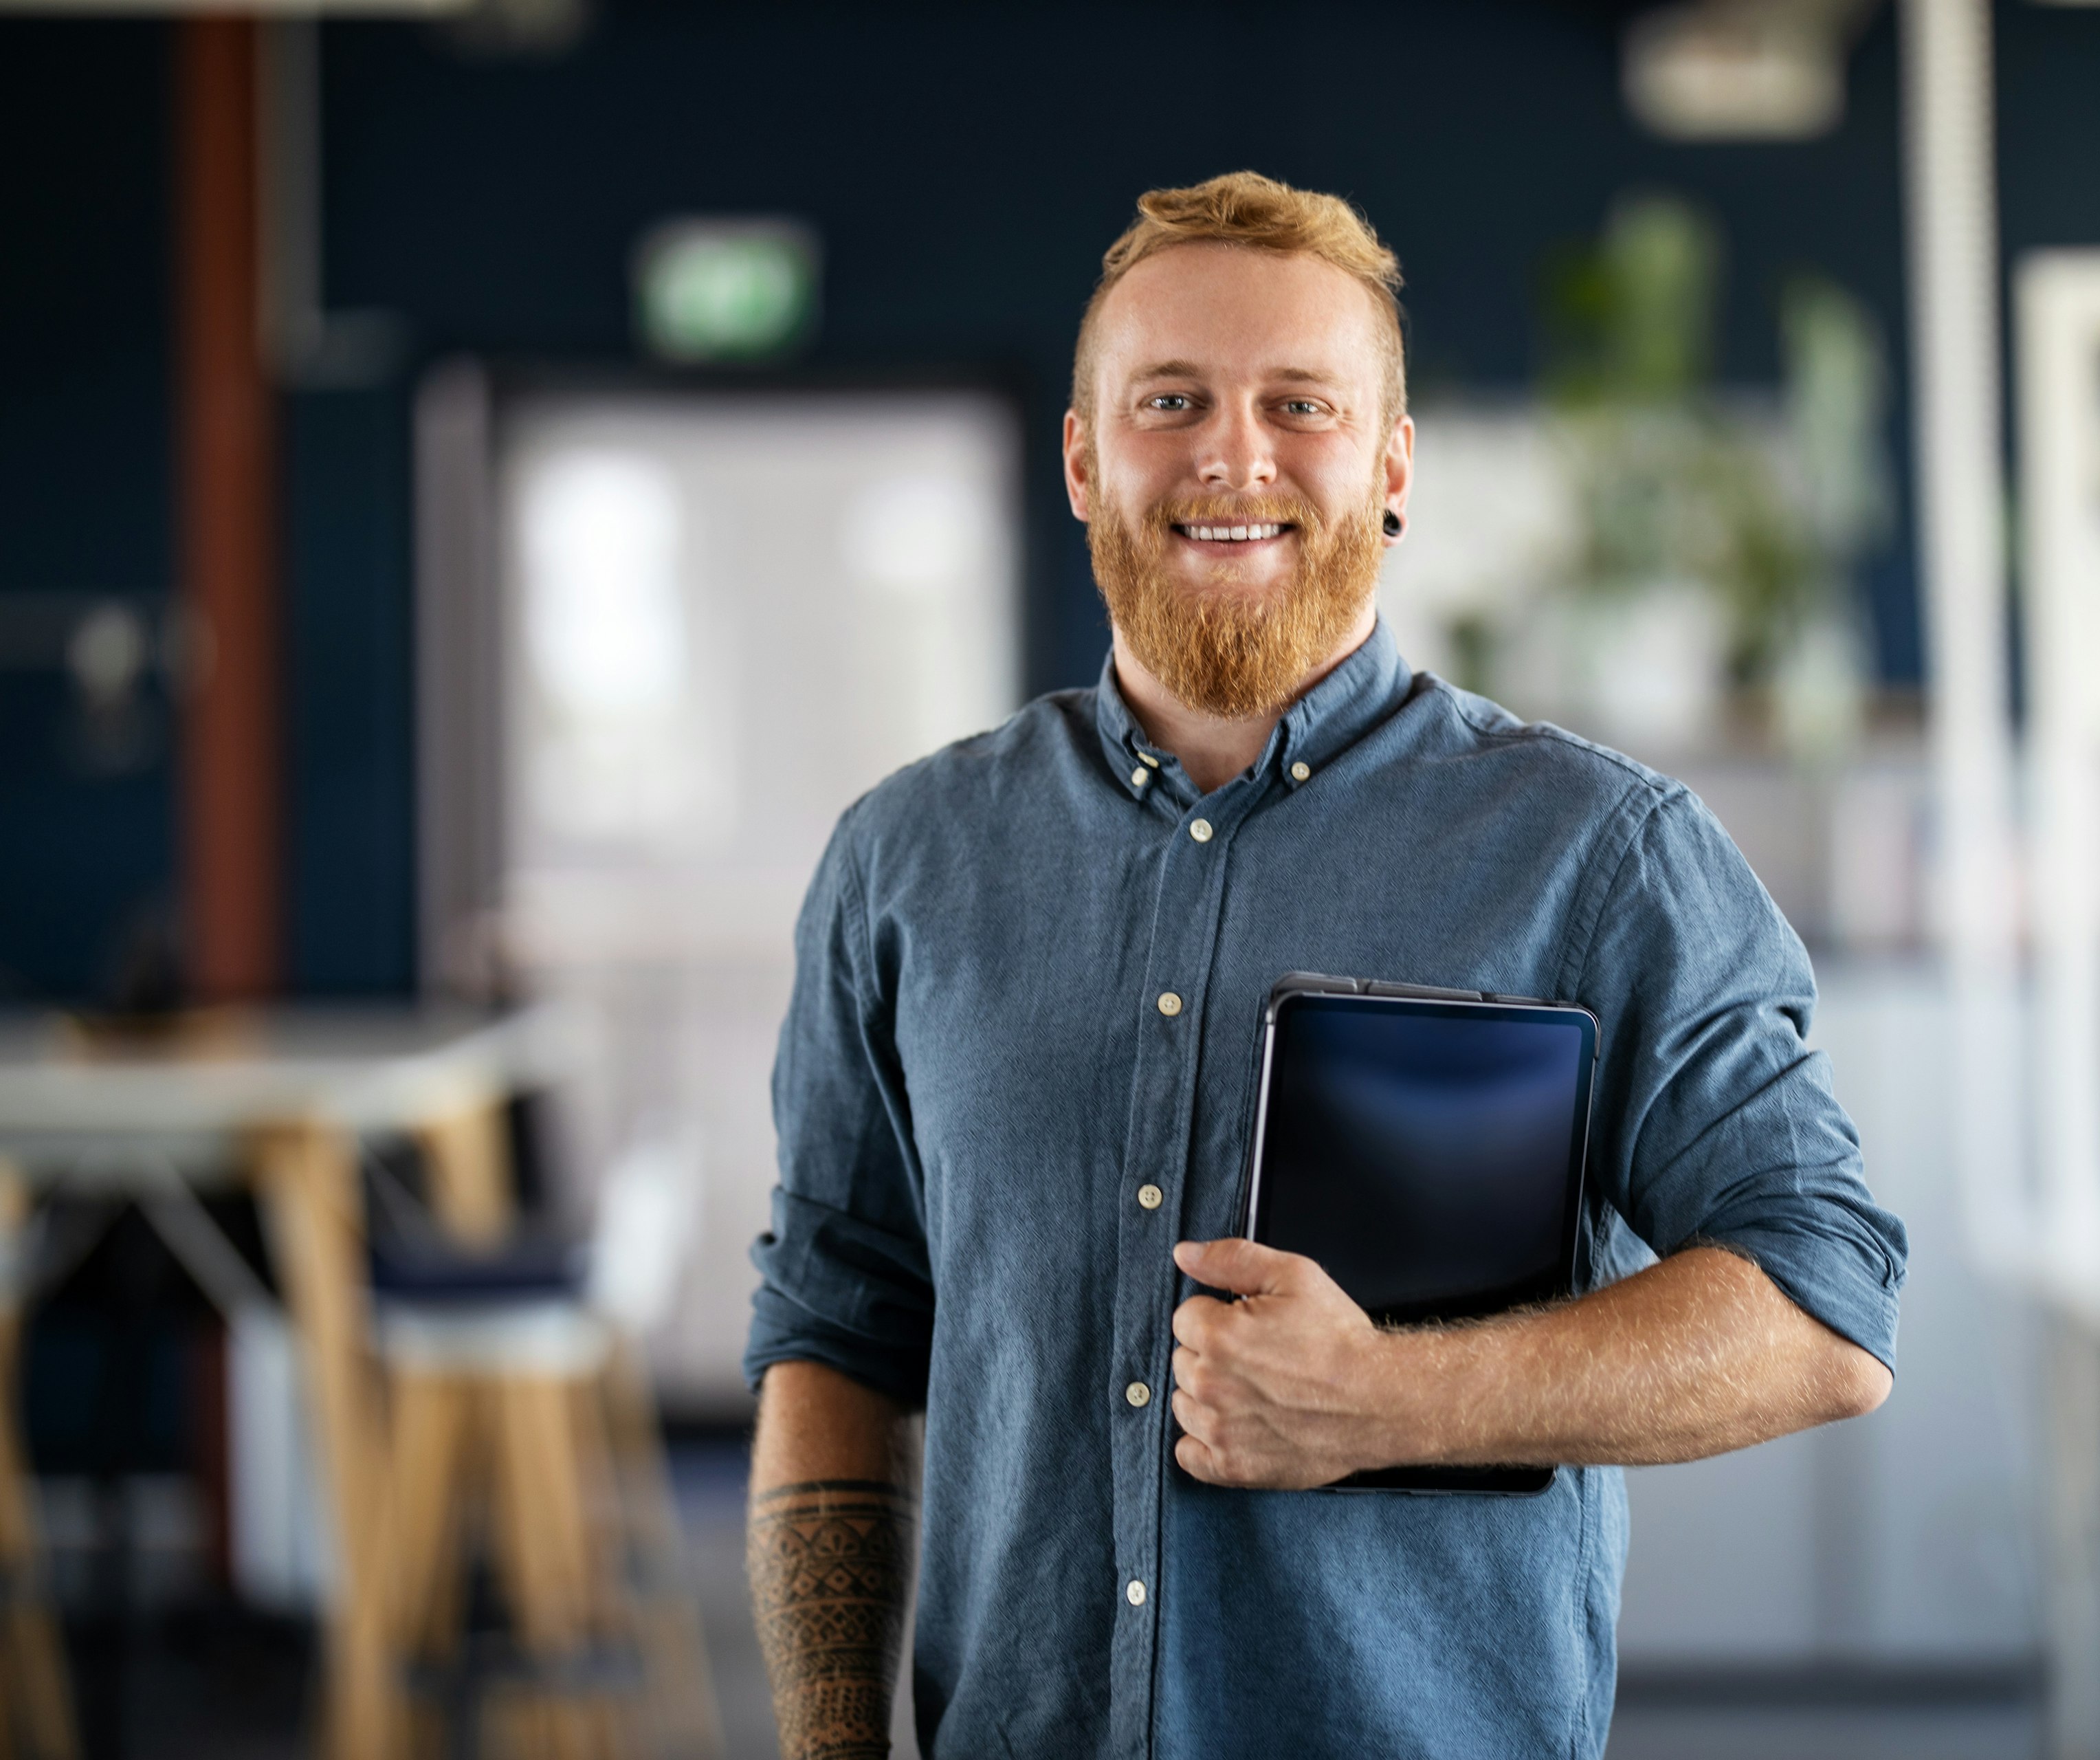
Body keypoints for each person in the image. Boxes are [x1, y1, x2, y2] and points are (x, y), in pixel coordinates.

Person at [743, 170, 1907, 1760]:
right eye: (1172, 400)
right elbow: (837, 1330)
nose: (1235, 455)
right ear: (1083, 460)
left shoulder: (1599, 851)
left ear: (1392, 463)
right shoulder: (907, 861)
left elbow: (1824, 1304)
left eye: (1302, 402)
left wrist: (1391, 1398)